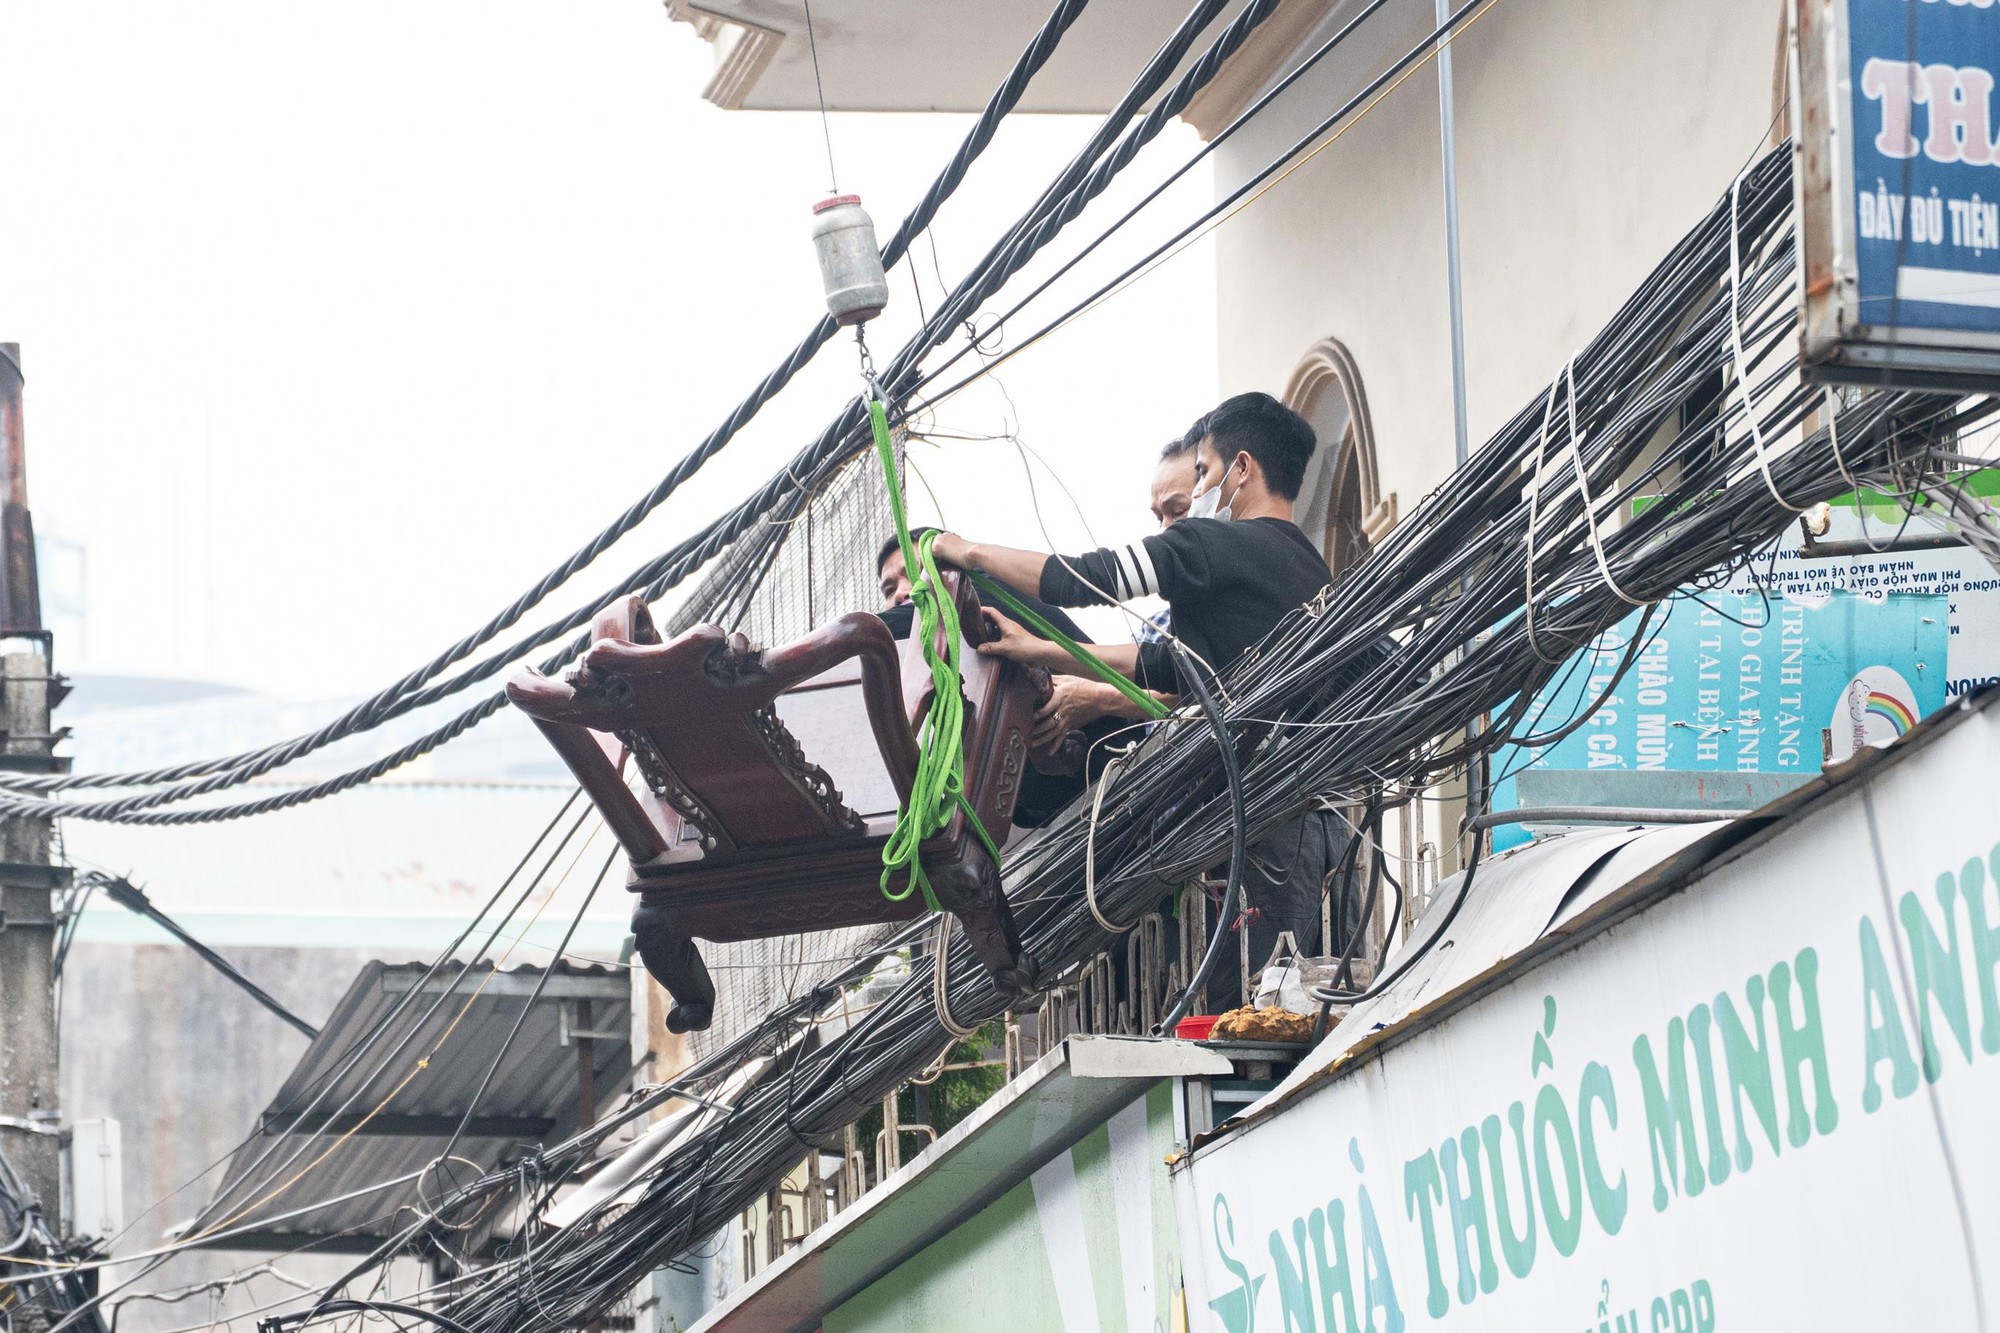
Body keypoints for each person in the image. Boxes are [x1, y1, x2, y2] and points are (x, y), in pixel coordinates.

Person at [927, 391, 1344, 1008]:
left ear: (1242, 469)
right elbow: (1174, 669)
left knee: (1238, 1023)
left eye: (1202, 472)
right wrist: (1040, 649)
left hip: (1259, 828)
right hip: (1304, 825)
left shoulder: (1212, 544)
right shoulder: (1307, 568)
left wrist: (968, 552)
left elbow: (1081, 578)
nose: (1198, 491)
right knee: (1276, 1017)